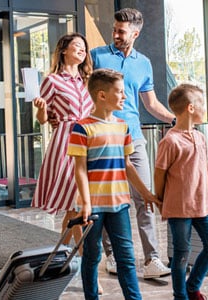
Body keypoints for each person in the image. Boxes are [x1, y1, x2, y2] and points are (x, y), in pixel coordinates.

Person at [90, 7, 175, 278]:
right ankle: (112, 255)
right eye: (114, 29)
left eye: (121, 31)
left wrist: (176, 119)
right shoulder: (98, 56)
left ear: (135, 33)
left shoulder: (143, 63)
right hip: (103, 135)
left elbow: (150, 103)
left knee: (146, 197)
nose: (115, 34)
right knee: (108, 198)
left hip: (133, 137)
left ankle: (152, 259)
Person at [68, 68, 158, 300]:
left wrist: (146, 193)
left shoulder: (123, 126)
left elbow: (128, 165)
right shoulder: (81, 127)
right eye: (119, 92)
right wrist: (86, 203)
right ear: (102, 95)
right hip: (93, 206)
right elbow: (79, 168)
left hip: (119, 204)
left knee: (126, 258)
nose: (124, 96)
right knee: (92, 256)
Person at [154, 84, 208, 300]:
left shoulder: (201, 137)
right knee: (181, 255)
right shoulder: (170, 141)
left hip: (203, 205)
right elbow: (159, 175)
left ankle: (192, 287)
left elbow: (207, 171)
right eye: (202, 104)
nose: (205, 108)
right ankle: (180, 296)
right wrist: (160, 201)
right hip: (179, 208)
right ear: (191, 108)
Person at [31, 32, 94, 253]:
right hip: (66, 141)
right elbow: (43, 119)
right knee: (74, 200)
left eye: (84, 47)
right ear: (64, 50)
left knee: (76, 203)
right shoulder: (52, 80)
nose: (82, 50)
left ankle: (61, 254)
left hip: (88, 139)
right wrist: (40, 109)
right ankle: (83, 260)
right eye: (77, 46)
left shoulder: (89, 81)